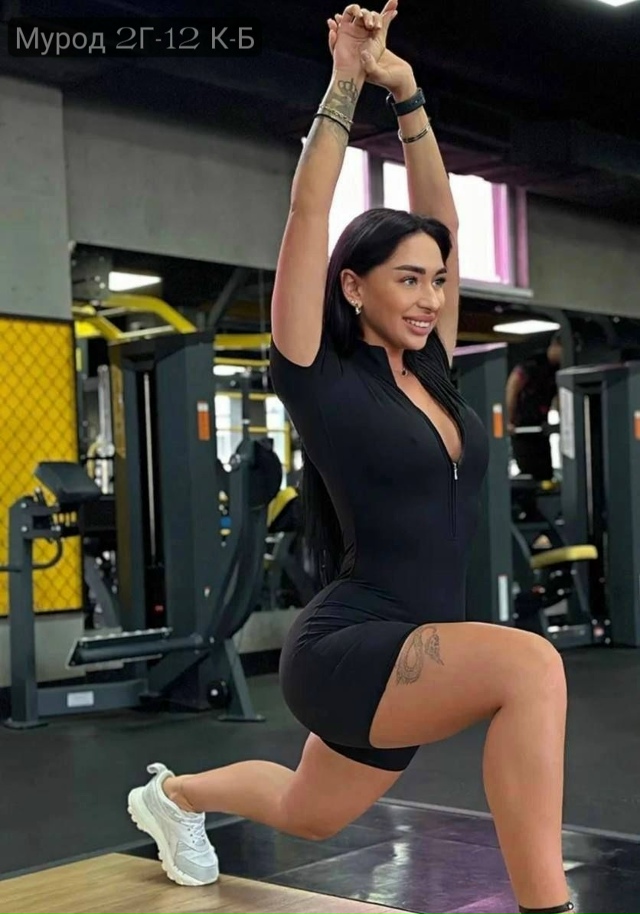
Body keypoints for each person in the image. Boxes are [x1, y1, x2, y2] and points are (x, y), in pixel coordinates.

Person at [127, 5, 573, 913]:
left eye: (437, 281)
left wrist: (407, 93)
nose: (430, 296)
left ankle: (172, 799)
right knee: (532, 666)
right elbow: (308, 210)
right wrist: (344, 81)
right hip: (350, 645)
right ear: (352, 286)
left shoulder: (432, 369)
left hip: (413, 646)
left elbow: (440, 221)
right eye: (407, 279)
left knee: (311, 810)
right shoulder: (317, 374)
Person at [506, 333, 563, 481]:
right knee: (528, 471)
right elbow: (513, 387)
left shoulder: (558, 370)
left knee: (545, 473)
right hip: (521, 426)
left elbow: (558, 398)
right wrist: (509, 420)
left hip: (540, 427)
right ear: (555, 346)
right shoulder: (533, 364)